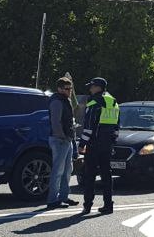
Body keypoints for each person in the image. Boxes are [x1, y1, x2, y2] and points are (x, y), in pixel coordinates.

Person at [79, 77, 120, 215]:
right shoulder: (114, 102)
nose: (90, 89)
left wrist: (82, 144)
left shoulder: (94, 102)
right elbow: (117, 127)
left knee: (90, 175)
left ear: (98, 87)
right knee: (106, 175)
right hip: (107, 145)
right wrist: (112, 142)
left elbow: (89, 126)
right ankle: (108, 205)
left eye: (92, 86)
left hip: (94, 144)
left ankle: (87, 206)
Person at [46, 75, 80, 210]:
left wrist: (71, 139)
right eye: (67, 88)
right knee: (58, 171)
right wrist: (63, 137)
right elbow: (56, 122)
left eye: (70, 88)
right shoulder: (57, 102)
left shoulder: (66, 100)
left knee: (67, 170)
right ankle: (52, 200)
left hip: (67, 140)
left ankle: (64, 197)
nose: (69, 90)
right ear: (59, 89)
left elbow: (69, 122)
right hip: (59, 140)